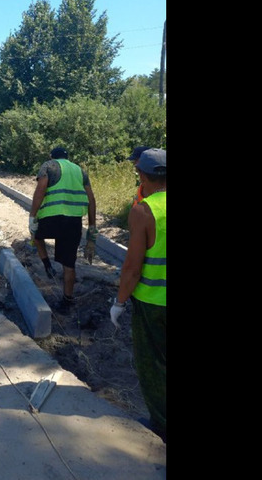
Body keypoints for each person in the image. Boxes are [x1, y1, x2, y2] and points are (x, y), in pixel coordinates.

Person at [110, 147, 166, 443]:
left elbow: (132, 268)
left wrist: (119, 302)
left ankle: (161, 424)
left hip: (153, 304)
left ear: (142, 175)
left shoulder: (144, 211)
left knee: (153, 366)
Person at [28, 146, 97, 308]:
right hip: (73, 221)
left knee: (36, 237)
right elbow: (91, 199)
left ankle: (48, 266)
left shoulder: (48, 166)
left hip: (52, 217)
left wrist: (32, 216)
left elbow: (40, 190)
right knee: (69, 263)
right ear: (68, 157)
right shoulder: (80, 170)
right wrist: (92, 226)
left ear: (52, 156)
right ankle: (67, 300)